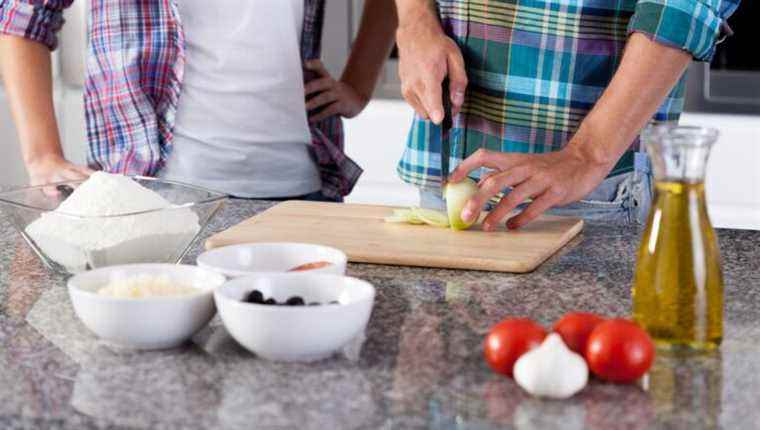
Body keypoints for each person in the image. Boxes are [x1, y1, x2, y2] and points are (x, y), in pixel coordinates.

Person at [0, 0, 396, 201]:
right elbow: (23, 16)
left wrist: (358, 86)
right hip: (152, 196)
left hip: (299, 189)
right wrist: (42, 157)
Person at [393, 0, 740, 229]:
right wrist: (415, 20)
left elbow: (682, 7)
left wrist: (588, 154)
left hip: (585, 195)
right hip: (442, 173)